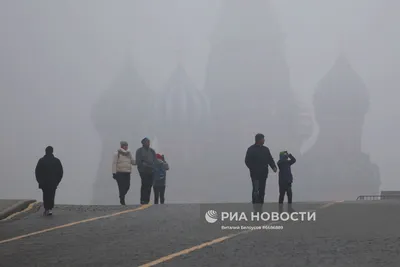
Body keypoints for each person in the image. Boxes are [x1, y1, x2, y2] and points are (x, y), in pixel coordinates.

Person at [245, 133, 277, 204]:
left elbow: (270, 159)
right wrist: (253, 169)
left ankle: (260, 207)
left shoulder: (266, 149)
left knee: (262, 191)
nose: (264, 140)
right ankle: (255, 207)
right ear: (259, 140)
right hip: (255, 174)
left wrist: (274, 167)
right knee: (256, 190)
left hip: (264, 174)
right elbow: (247, 161)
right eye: (263, 139)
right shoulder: (251, 149)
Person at [35, 146, 63, 216]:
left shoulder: (41, 160)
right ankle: (50, 208)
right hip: (53, 182)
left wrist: (39, 181)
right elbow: (60, 172)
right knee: (51, 195)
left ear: (45, 151)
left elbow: (37, 172)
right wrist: (57, 181)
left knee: (45, 195)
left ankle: (46, 208)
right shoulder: (56, 161)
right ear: (52, 151)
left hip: (44, 182)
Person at [112, 141, 136, 205]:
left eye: (126, 145)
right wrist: (114, 173)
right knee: (121, 187)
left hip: (127, 173)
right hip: (119, 173)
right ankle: (122, 200)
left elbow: (133, 162)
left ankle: (121, 196)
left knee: (127, 186)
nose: (126, 147)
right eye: (124, 145)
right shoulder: (117, 153)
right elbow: (114, 163)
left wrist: (138, 161)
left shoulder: (129, 153)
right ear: (121, 146)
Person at [136, 137, 156, 204]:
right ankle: (143, 200)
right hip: (143, 171)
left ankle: (147, 200)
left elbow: (155, 160)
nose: (148, 143)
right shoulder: (139, 151)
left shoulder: (152, 151)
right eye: (147, 142)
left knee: (150, 185)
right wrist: (143, 165)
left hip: (151, 170)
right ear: (143, 143)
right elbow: (138, 161)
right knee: (144, 184)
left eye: (149, 142)